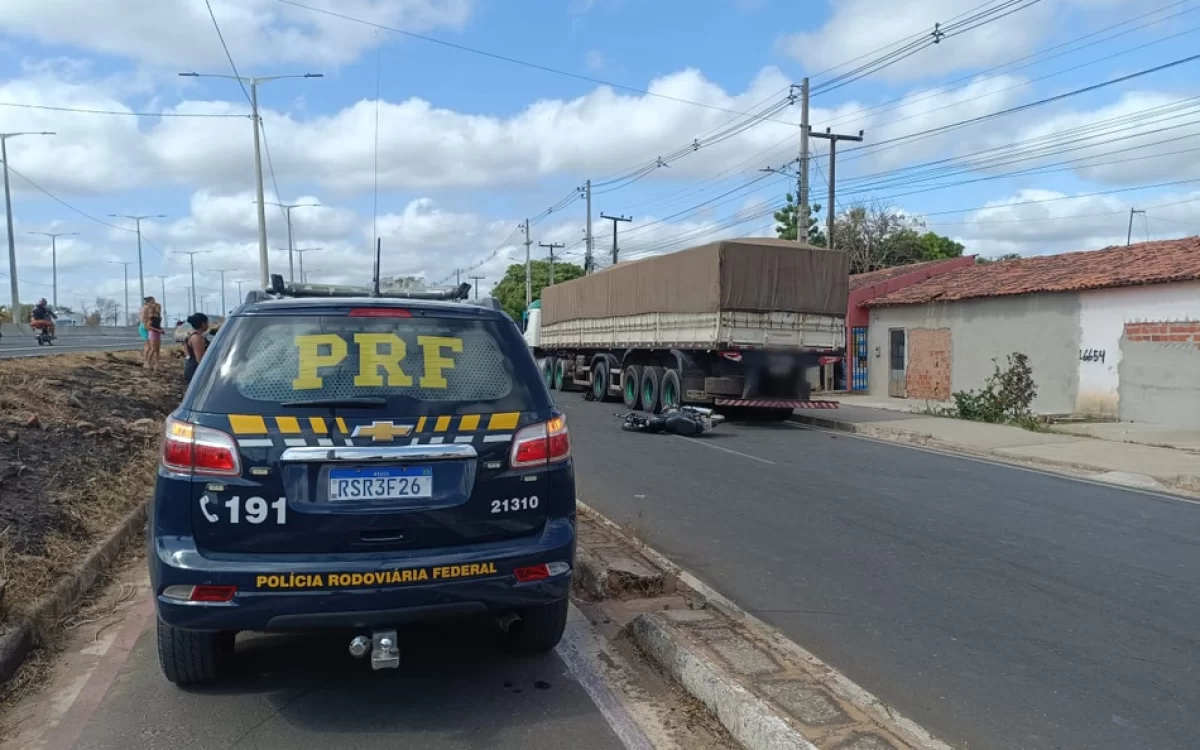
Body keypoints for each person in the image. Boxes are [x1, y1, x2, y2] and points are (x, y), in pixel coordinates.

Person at [182, 313, 209, 385]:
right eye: (207, 322)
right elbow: (200, 359)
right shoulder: (197, 338)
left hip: (191, 368)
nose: (208, 324)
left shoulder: (189, 335)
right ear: (203, 324)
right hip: (196, 370)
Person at [140, 296, 165, 370]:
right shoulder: (148, 312)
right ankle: (147, 362)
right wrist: (155, 330)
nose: (159, 308)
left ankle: (157, 364)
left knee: (157, 349)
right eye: (153, 302)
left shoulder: (158, 315)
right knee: (150, 347)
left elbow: (157, 325)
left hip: (155, 331)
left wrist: (160, 329)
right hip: (150, 330)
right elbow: (147, 323)